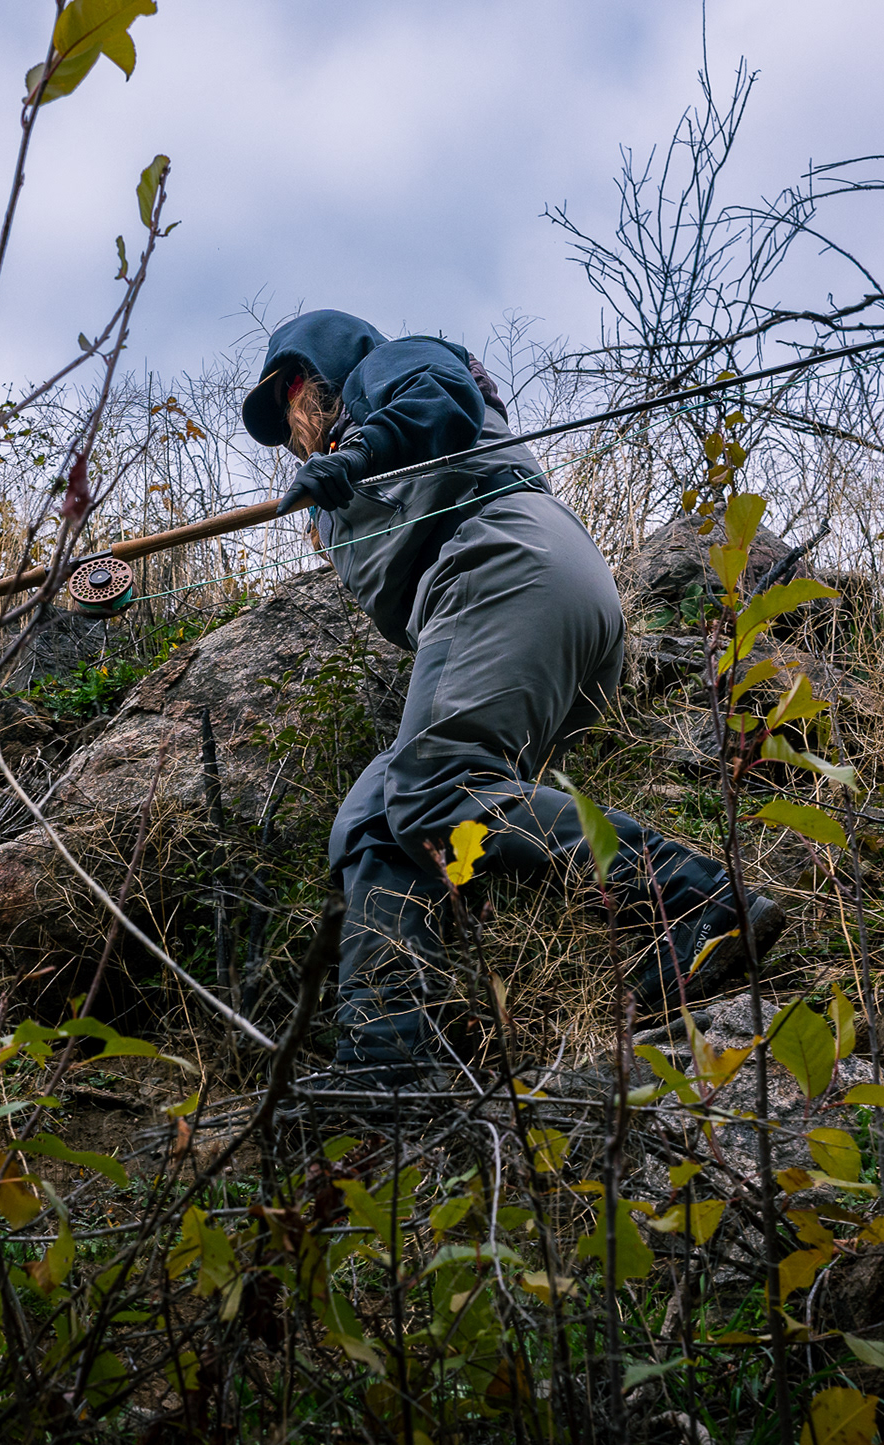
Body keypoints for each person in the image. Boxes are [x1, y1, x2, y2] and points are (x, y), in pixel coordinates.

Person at [241, 309, 785, 1084]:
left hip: (503, 557)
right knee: (378, 810)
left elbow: (440, 400)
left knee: (433, 785)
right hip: (522, 596)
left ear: (314, 375)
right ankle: (387, 1050)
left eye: (289, 396)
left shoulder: (390, 370)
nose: (290, 426)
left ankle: (693, 898)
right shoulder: (338, 491)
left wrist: (358, 451)